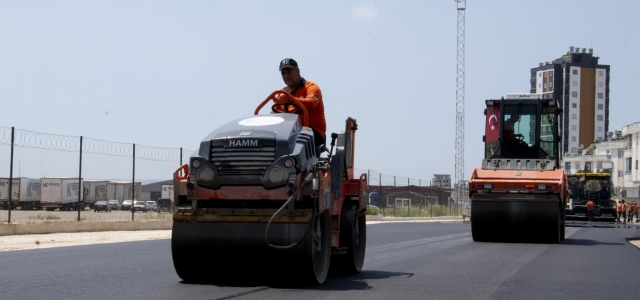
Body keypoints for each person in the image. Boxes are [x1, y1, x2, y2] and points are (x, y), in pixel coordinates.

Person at [274, 58, 326, 149]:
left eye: (289, 72)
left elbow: (311, 103)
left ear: (297, 71)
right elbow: (274, 113)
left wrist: (290, 99)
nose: (286, 76)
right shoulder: (281, 93)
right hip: (289, 132)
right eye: (283, 73)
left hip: (311, 131)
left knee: (295, 142)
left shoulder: (311, 87)